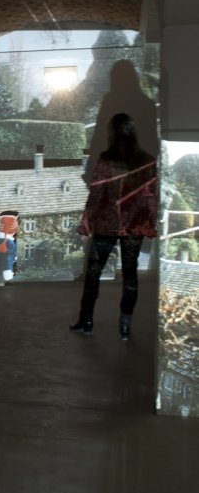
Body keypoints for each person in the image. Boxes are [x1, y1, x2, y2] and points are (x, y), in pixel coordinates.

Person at [70, 113, 157, 339]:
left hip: (106, 225)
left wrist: (85, 226)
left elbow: (96, 196)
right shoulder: (147, 161)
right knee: (130, 276)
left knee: (93, 274)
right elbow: (150, 197)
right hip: (133, 227)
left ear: (111, 133)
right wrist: (149, 224)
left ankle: (86, 321)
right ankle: (125, 327)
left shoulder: (106, 160)